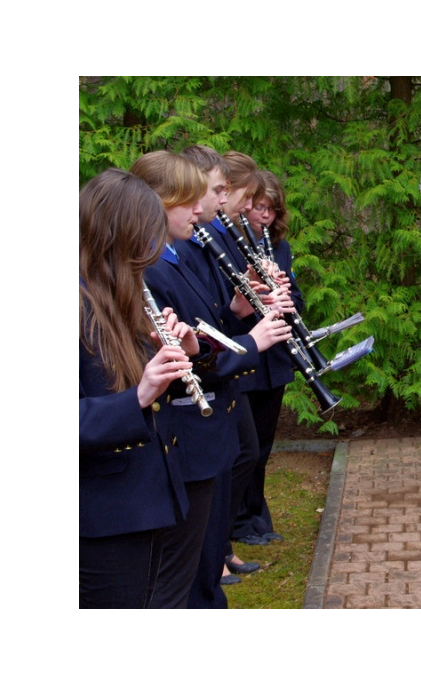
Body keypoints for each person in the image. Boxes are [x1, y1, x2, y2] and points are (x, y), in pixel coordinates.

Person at [132, 151, 292, 608]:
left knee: (202, 564)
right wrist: (253, 341)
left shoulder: (179, 253)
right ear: (157, 203)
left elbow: (204, 327)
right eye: (194, 199)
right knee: (185, 574)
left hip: (209, 423)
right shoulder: (154, 267)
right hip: (189, 428)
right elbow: (189, 360)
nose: (202, 209)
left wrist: (239, 312)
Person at [79, 168, 198, 608]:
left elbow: (127, 378)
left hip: (147, 498)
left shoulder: (118, 293)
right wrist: (140, 394)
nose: (151, 256)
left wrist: (176, 353)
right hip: (104, 514)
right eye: (146, 242)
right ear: (117, 236)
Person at [231, 169, 304, 545]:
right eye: (259, 207)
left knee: (262, 445)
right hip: (246, 356)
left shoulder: (280, 249)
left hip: (275, 359)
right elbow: (225, 310)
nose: (264, 216)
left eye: (271, 210)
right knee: (245, 448)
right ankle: (240, 521)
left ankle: (257, 514)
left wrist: (286, 292)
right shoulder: (230, 249)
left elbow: (298, 304)